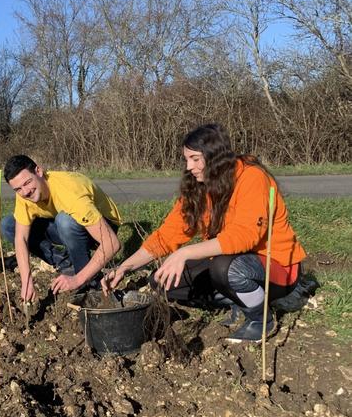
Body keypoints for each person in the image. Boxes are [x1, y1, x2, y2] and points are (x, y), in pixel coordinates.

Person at [103, 123, 307, 343]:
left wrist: (185, 253)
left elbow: (244, 236)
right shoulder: (199, 187)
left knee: (225, 269)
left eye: (195, 159)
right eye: (186, 159)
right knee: (162, 281)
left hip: (276, 266)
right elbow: (166, 236)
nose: (189, 166)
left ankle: (260, 319)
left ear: (215, 157)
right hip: (229, 260)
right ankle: (238, 300)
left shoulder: (252, 178)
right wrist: (124, 267)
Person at [1, 155, 122, 302]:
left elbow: (112, 243)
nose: (25, 192)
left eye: (27, 182)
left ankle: (89, 281)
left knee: (65, 221)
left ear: (39, 171)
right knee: (8, 225)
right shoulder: (24, 193)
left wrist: (78, 279)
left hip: (103, 227)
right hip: (67, 224)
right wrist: (26, 282)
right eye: (18, 189)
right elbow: (21, 239)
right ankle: (66, 263)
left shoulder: (70, 191)